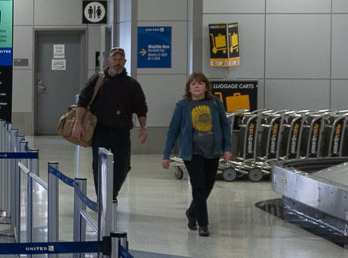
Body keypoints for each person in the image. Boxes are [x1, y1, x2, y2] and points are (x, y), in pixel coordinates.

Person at [164, 72, 233, 237]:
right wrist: (166, 154)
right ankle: (203, 224)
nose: (196, 86)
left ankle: (192, 212)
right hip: (192, 152)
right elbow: (173, 130)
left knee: (208, 186)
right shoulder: (182, 105)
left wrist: (227, 148)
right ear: (189, 88)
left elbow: (224, 126)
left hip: (213, 152)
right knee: (199, 186)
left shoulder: (215, 103)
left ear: (206, 87)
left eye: (200, 83)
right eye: (193, 84)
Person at [79, 47, 149, 202]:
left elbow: (141, 107)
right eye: (114, 59)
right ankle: (102, 199)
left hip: (122, 132)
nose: (117, 62)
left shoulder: (132, 85)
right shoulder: (97, 80)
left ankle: (110, 194)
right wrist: (78, 123)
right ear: (109, 61)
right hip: (100, 131)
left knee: (123, 167)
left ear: (124, 62)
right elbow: (82, 101)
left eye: (120, 59)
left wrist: (143, 128)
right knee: (98, 167)